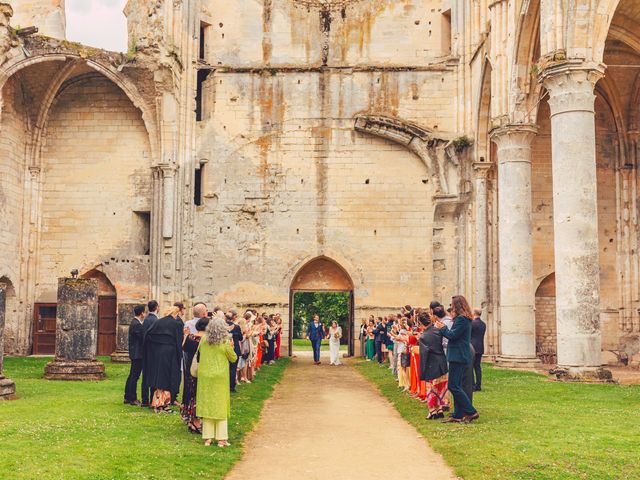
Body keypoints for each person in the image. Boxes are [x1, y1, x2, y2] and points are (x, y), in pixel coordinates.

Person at [435, 295, 479, 423]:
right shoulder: (462, 319)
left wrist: (442, 328)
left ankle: (471, 411)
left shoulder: (462, 319)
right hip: (458, 354)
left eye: (453, 304)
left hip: (458, 355)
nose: (451, 306)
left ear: (458, 305)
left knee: (453, 386)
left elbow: (452, 336)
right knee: (457, 385)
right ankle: (458, 414)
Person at [196, 318, 238, 447]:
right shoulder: (225, 341)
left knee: (208, 405)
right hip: (219, 376)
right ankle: (221, 438)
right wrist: (232, 347)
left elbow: (199, 353)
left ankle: (207, 437)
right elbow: (233, 358)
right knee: (220, 406)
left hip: (205, 375)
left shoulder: (203, 340)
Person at [143, 305, 184, 413]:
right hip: (170, 353)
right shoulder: (176, 324)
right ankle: (163, 404)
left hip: (157, 353)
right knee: (167, 378)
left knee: (158, 377)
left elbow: (148, 335)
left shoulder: (158, 322)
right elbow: (178, 341)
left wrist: (154, 348)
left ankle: (158, 404)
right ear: (175, 314)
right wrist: (179, 355)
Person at [418, 311, 449, 420]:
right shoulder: (438, 331)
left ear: (421, 324)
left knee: (431, 389)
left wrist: (422, 371)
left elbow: (423, 356)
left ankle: (432, 411)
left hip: (431, 365)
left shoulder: (423, 337)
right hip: (442, 362)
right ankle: (440, 409)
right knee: (440, 387)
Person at [181, 316, 209, 433]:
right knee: (199, 395)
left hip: (190, 369)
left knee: (191, 394)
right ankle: (196, 422)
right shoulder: (205, 340)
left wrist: (186, 335)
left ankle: (191, 420)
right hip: (201, 369)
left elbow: (184, 348)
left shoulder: (191, 337)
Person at [124, 304, 146, 405]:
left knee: (132, 375)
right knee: (134, 376)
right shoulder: (136, 324)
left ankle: (128, 396)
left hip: (136, 353)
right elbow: (142, 338)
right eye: (144, 312)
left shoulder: (135, 323)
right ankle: (132, 398)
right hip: (137, 354)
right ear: (142, 313)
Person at [141, 299, 159, 407]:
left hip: (145, 351)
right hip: (153, 351)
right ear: (156, 307)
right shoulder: (156, 320)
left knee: (145, 376)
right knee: (153, 375)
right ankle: (153, 398)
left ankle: (144, 400)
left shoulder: (146, 319)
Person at [226, 311, 243, 393]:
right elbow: (240, 338)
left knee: (227, 368)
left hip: (226, 348)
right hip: (234, 348)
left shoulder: (223, 326)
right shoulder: (237, 327)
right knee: (233, 368)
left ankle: (226, 385)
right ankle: (232, 386)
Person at [471, 308, 487, 391]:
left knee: (470, 366)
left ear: (474, 313)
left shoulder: (472, 323)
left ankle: (473, 385)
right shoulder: (483, 324)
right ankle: (478, 385)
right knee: (477, 367)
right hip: (480, 346)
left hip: (472, 347)